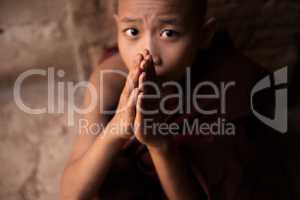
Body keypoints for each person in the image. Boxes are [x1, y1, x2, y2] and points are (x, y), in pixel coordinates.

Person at [60, 0, 291, 199]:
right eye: (132, 32)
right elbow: (71, 195)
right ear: (117, 26)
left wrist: (160, 144)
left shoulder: (233, 87)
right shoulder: (109, 80)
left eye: (168, 33)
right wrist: (116, 130)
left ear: (204, 35)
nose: (148, 52)